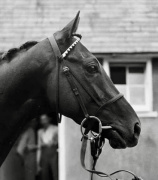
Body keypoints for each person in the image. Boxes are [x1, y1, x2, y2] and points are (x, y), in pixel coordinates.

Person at [37, 114, 58, 180]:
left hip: (53, 152)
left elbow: (59, 141)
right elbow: (39, 147)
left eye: (45, 119)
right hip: (44, 153)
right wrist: (38, 161)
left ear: (48, 119)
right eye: (42, 120)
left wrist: (54, 141)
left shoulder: (55, 128)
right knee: (44, 174)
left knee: (55, 172)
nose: (43, 121)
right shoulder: (40, 131)